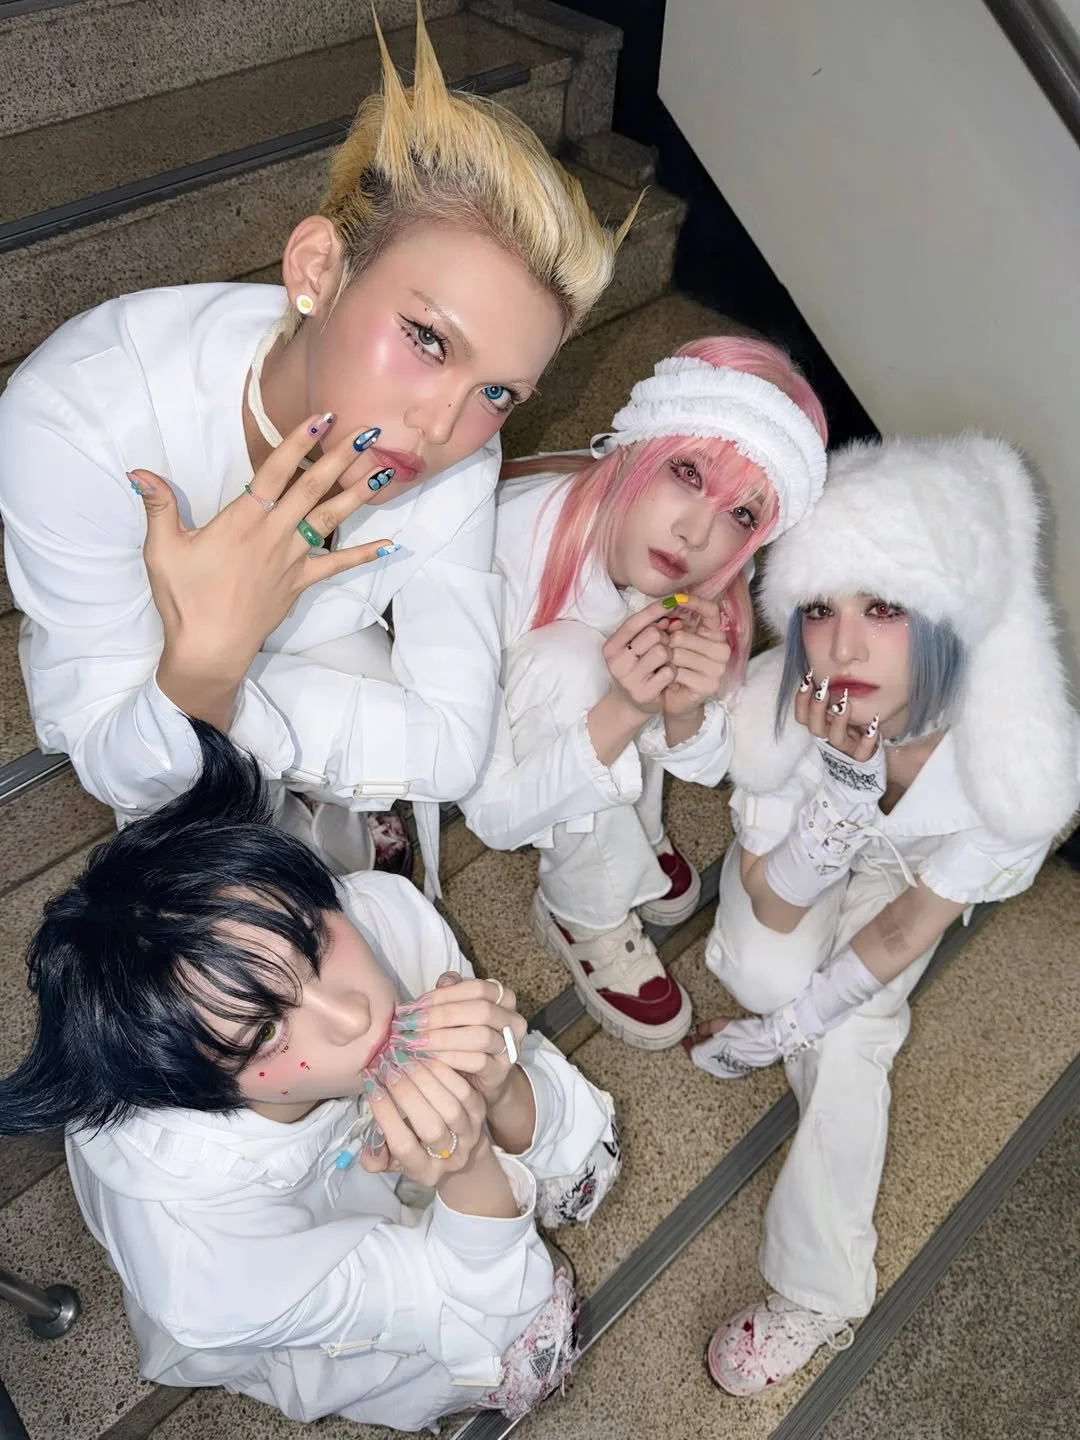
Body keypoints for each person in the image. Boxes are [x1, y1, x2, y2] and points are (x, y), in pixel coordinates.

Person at [0, 6, 629, 894]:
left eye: (499, 393)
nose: (441, 426)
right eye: (428, 339)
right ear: (316, 270)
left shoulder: (460, 458)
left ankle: (331, 817)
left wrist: (226, 691)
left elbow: (454, 752)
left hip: (283, 662)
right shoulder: (77, 424)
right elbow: (123, 764)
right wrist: (205, 671)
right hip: (154, 690)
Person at [0, 722, 621, 1431]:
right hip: (284, 1266)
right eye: (263, 1033)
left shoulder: (380, 916)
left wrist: (500, 1086)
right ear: (199, 1089)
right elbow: (461, 1307)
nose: (355, 1013)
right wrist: (468, 1161)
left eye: (314, 938)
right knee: (498, 1329)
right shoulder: (203, 1258)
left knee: (548, 1140)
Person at [684, 435, 1080, 1394]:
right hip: (811, 855)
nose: (844, 646)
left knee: (851, 1030)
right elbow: (771, 897)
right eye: (820, 608)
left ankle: (817, 1292)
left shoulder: (1011, 759)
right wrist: (841, 797)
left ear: (945, 612)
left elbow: (907, 929)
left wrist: (797, 1029)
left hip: (909, 884)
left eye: (886, 608)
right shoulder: (794, 703)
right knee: (760, 970)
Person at [461, 337, 828, 1049]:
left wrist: (683, 710)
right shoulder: (498, 548)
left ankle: (632, 835)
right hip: (483, 740)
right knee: (573, 663)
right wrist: (625, 708)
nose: (698, 531)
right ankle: (582, 909)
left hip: (576, 726)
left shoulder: (711, 574)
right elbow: (491, 816)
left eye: (741, 514)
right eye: (687, 473)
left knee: (648, 651)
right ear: (637, 446)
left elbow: (708, 762)